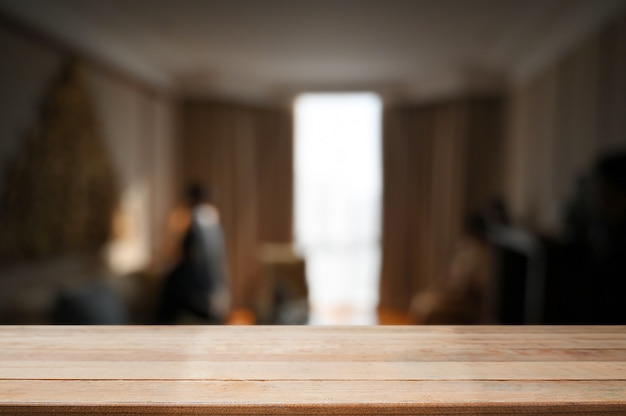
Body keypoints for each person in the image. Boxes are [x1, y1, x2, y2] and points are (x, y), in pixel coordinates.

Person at [157, 183, 230, 323]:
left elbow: (187, 251)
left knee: (170, 286)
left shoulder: (195, 219)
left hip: (199, 286)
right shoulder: (214, 220)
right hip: (216, 285)